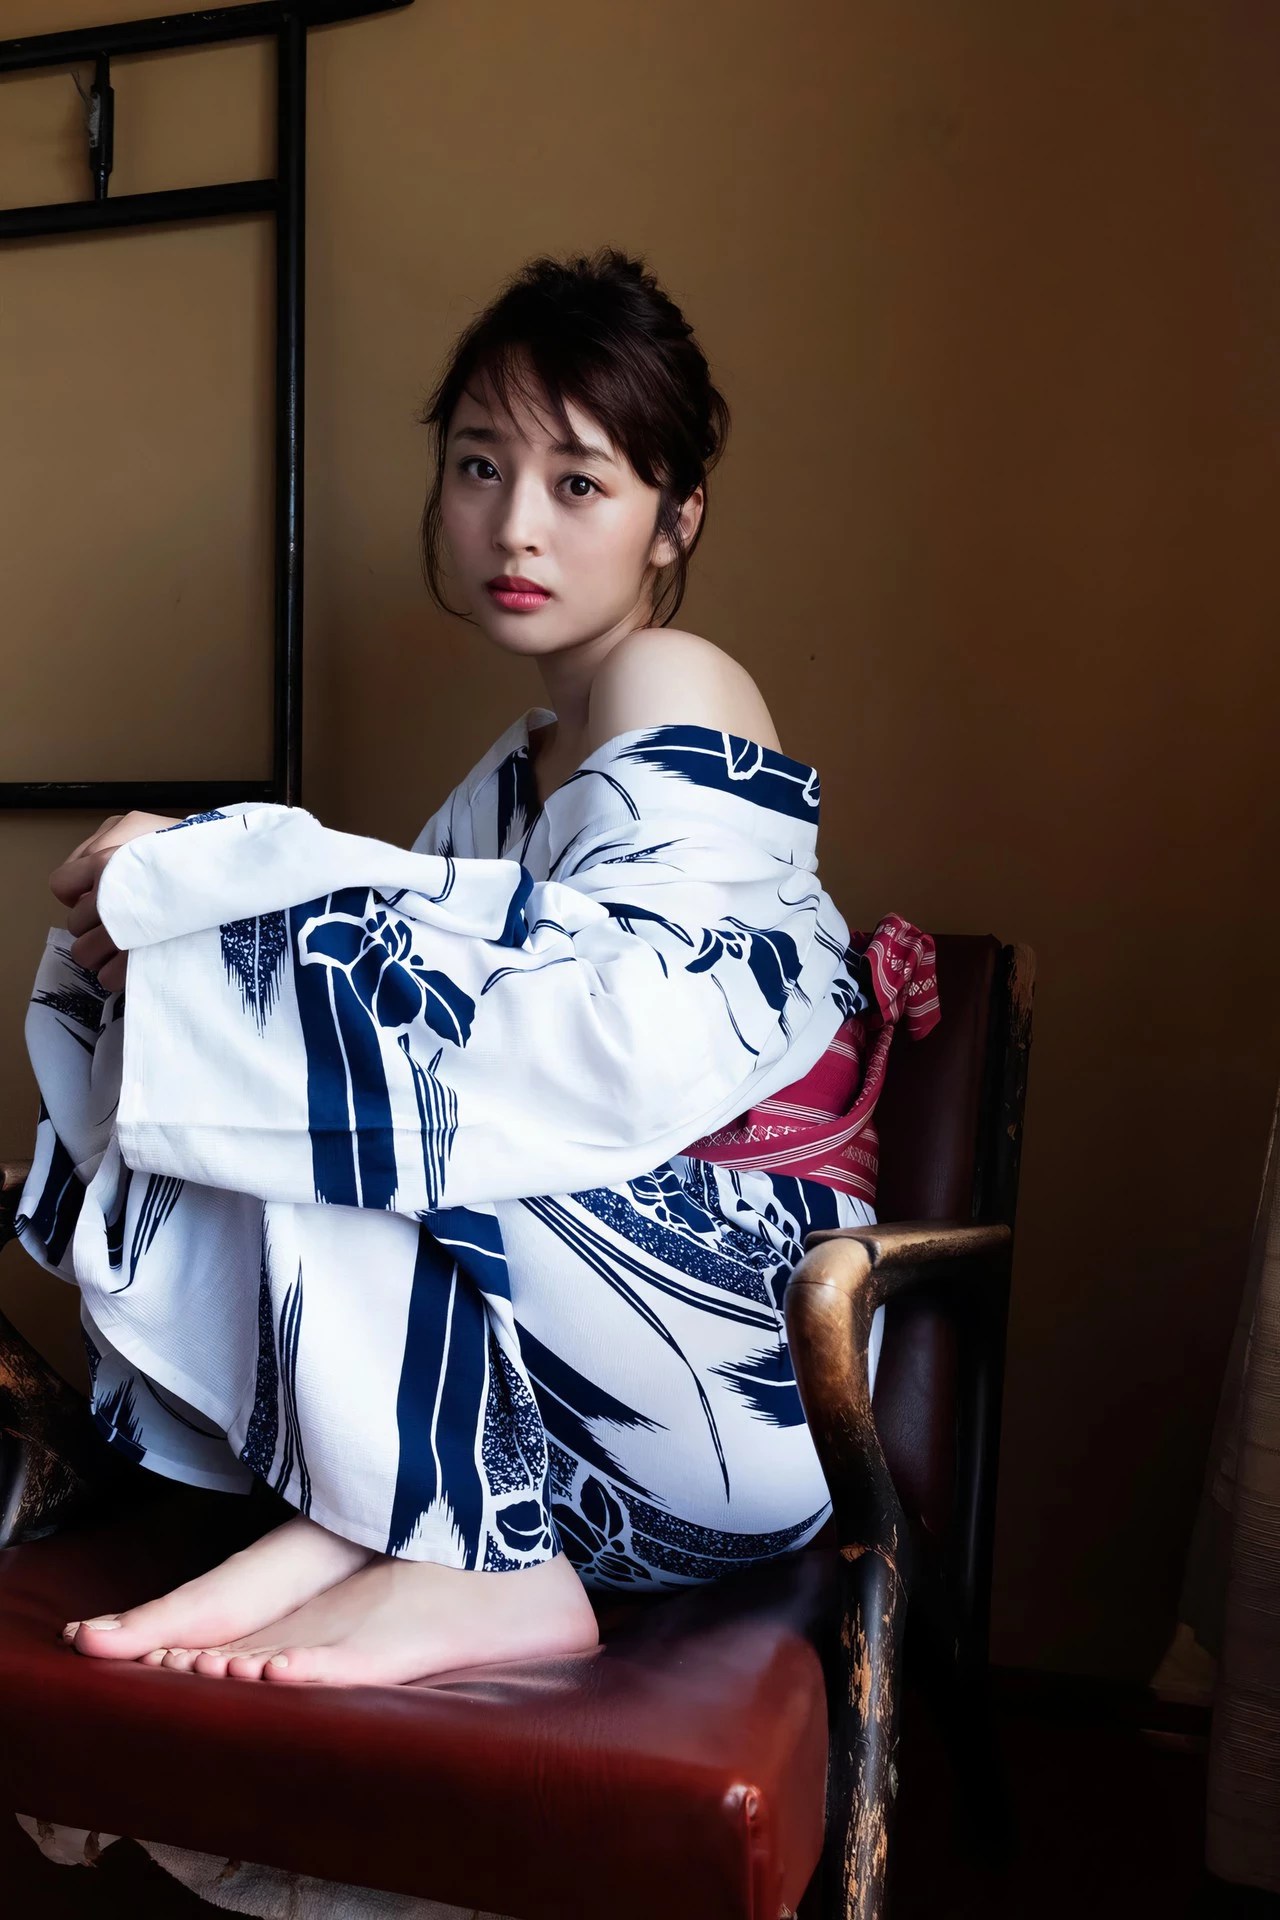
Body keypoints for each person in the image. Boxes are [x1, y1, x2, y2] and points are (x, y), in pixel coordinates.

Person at [15, 248, 937, 1689]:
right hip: (572, 1386)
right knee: (267, 1048)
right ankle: (383, 1531)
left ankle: (481, 1564)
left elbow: (598, 1040)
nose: (515, 525)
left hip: (732, 1357)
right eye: (479, 466)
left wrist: (210, 887)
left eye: (580, 484)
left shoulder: (673, 679)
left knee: (302, 1058)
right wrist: (194, 945)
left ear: (675, 519)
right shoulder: (515, 770)